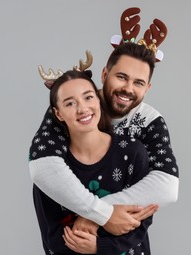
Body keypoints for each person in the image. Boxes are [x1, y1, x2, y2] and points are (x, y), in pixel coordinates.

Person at [29, 7, 179, 236]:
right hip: (68, 239)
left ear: (147, 88)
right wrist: (102, 214)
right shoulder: (76, 107)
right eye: (121, 77)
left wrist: (98, 216)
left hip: (122, 242)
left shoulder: (150, 121)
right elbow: (42, 166)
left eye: (138, 83)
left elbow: (167, 186)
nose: (128, 89)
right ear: (104, 74)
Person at [33, 59, 154, 255]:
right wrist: (107, 224)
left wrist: (101, 245)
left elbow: (140, 222)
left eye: (88, 97)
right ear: (58, 113)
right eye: (70, 103)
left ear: (98, 100)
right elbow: (52, 237)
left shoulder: (133, 152)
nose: (82, 109)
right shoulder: (52, 169)